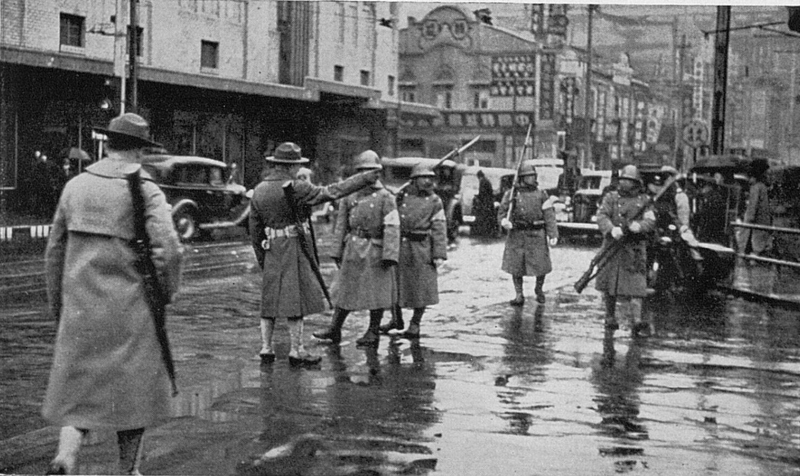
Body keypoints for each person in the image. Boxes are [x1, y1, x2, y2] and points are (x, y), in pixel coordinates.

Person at [41, 113, 184, 475]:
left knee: (79, 393)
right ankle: (129, 471)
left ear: (108, 144)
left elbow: (54, 251)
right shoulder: (145, 190)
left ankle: (66, 457)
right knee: (133, 396)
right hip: (131, 310)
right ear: (139, 150)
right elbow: (169, 249)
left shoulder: (75, 186)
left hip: (80, 309)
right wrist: (166, 293)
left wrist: (59, 307)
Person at [249, 142, 381, 366]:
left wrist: (262, 257)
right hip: (292, 246)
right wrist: (363, 179)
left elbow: (254, 227)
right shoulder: (296, 186)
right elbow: (331, 192)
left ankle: (266, 347)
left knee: (269, 301)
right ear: (291, 166)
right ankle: (297, 350)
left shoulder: (259, 189)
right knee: (294, 302)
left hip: (271, 247)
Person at [313, 150, 400, 347]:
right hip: (353, 246)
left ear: (378, 173)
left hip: (375, 248)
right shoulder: (349, 196)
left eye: (372, 171)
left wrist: (390, 254)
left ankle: (373, 331)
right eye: (362, 171)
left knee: (375, 294)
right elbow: (341, 224)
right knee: (345, 290)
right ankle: (335, 328)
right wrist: (336, 251)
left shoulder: (386, 197)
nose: (368, 175)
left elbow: (392, 228)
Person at [378, 163, 448, 338]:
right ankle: (396, 319)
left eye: (431, 178)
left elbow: (439, 227)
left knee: (421, 289)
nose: (428, 181)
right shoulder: (401, 196)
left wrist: (439, 254)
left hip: (422, 248)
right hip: (401, 246)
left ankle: (415, 324)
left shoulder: (435, 201)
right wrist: (395, 197)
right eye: (424, 178)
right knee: (395, 285)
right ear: (414, 180)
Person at [595, 165, 656, 338]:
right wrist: (611, 229)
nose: (625, 183)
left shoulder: (644, 201)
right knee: (610, 286)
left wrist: (639, 226)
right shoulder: (611, 198)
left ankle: (636, 321)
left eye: (629, 180)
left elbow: (651, 221)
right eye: (623, 179)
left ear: (636, 183)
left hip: (634, 248)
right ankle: (609, 316)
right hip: (613, 246)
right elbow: (601, 216)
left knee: (636, 287)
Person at [498, 160, 559, 306]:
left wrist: (553, 234)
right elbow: (502, 212)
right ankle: (519, 294)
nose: (532, 178)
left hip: (536, 234)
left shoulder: (542, 195)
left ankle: (539, 288)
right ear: (522, 178)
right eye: (528, 176)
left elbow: (549, 215)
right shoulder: (511, 194)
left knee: (541, 266)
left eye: (533, 175)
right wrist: (504, 222)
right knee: (516, 267)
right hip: (517, 234)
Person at [738, 158, 772, 256]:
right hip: (763, 223)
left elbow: (752, 209)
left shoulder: (756, 187)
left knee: (752, 251)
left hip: (755, 226)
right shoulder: (763, 186)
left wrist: (747, 221)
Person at [472, 169, 497, 237]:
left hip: (485, 203)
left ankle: (484, 232)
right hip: (489, 202)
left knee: (484, 217)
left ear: (479, 176)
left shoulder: (483, 181)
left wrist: (478, 197)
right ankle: (489, 231)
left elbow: (482, 193)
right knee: (488, 218)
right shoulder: (487, 180)